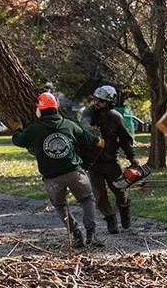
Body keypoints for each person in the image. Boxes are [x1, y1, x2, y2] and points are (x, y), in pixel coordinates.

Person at [12, 92, 104, 247]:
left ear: (39, 110)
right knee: (87, 200)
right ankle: (92, 235)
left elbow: (18, 140)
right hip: (75, 173)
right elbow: (96, 142)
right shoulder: (70, 125)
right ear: (56, 108)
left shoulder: (34, 130)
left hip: (52, 178)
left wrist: (17, 129)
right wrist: (90, 160)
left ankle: (76, 235)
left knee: (61, 206)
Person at [80, 85, 141, 233]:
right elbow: (85, 121)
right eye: (95, 99)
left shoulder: (116, 118)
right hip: (93, 163)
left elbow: (125, 140)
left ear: (110, 103)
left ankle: (124, 208)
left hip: (112, 161)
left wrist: (132, 157)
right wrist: (88, 128)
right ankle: (110, 219)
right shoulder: (89, 113)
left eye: (101, 101)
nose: (97, 103)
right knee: (100, 195)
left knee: (120, 190)